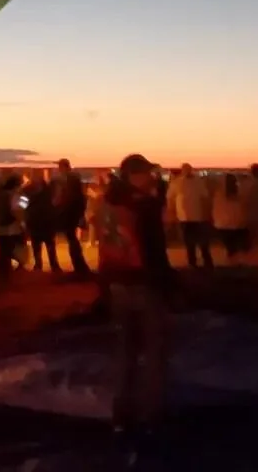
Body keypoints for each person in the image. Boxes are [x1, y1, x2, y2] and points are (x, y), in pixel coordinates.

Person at [96, 154, 174, 463]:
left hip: (117, 284)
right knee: (154, 354)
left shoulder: (107, 204)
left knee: (125, 353)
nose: (151, 177)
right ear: (134, 176)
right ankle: (149, 422)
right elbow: (156, 253)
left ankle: (120, 419)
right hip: (145, 286)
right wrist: (170, 288)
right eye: (146, 173)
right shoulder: (145, 207)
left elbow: (106, 247)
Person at [167, 164, 213, 270]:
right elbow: (205, 199)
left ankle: (194, 264)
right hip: (195, 217)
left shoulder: (177, 182)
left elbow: (170, 199)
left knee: (191, 243)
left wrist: (172, 213)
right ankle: (205, 264)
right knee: (200, 243)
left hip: (187, 218)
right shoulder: (197, 182)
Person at [53, 159, 88, 275]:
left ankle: (80, 267)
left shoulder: (68, 180)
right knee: (72, 239)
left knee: (72, 240)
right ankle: (80, 267)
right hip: (73, 212)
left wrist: (58, 205)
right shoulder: (73, 179)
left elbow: (64, 197)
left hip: (69, 213)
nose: (58, 169)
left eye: (59, 167)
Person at [212, 173, 249, 260]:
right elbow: (244, 208)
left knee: (230, 248)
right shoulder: (241, 194)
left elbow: (215, 209)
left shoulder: (219, 194)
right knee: (239, 249)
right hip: (238, 225)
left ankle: (232, 263)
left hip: (223, 225)